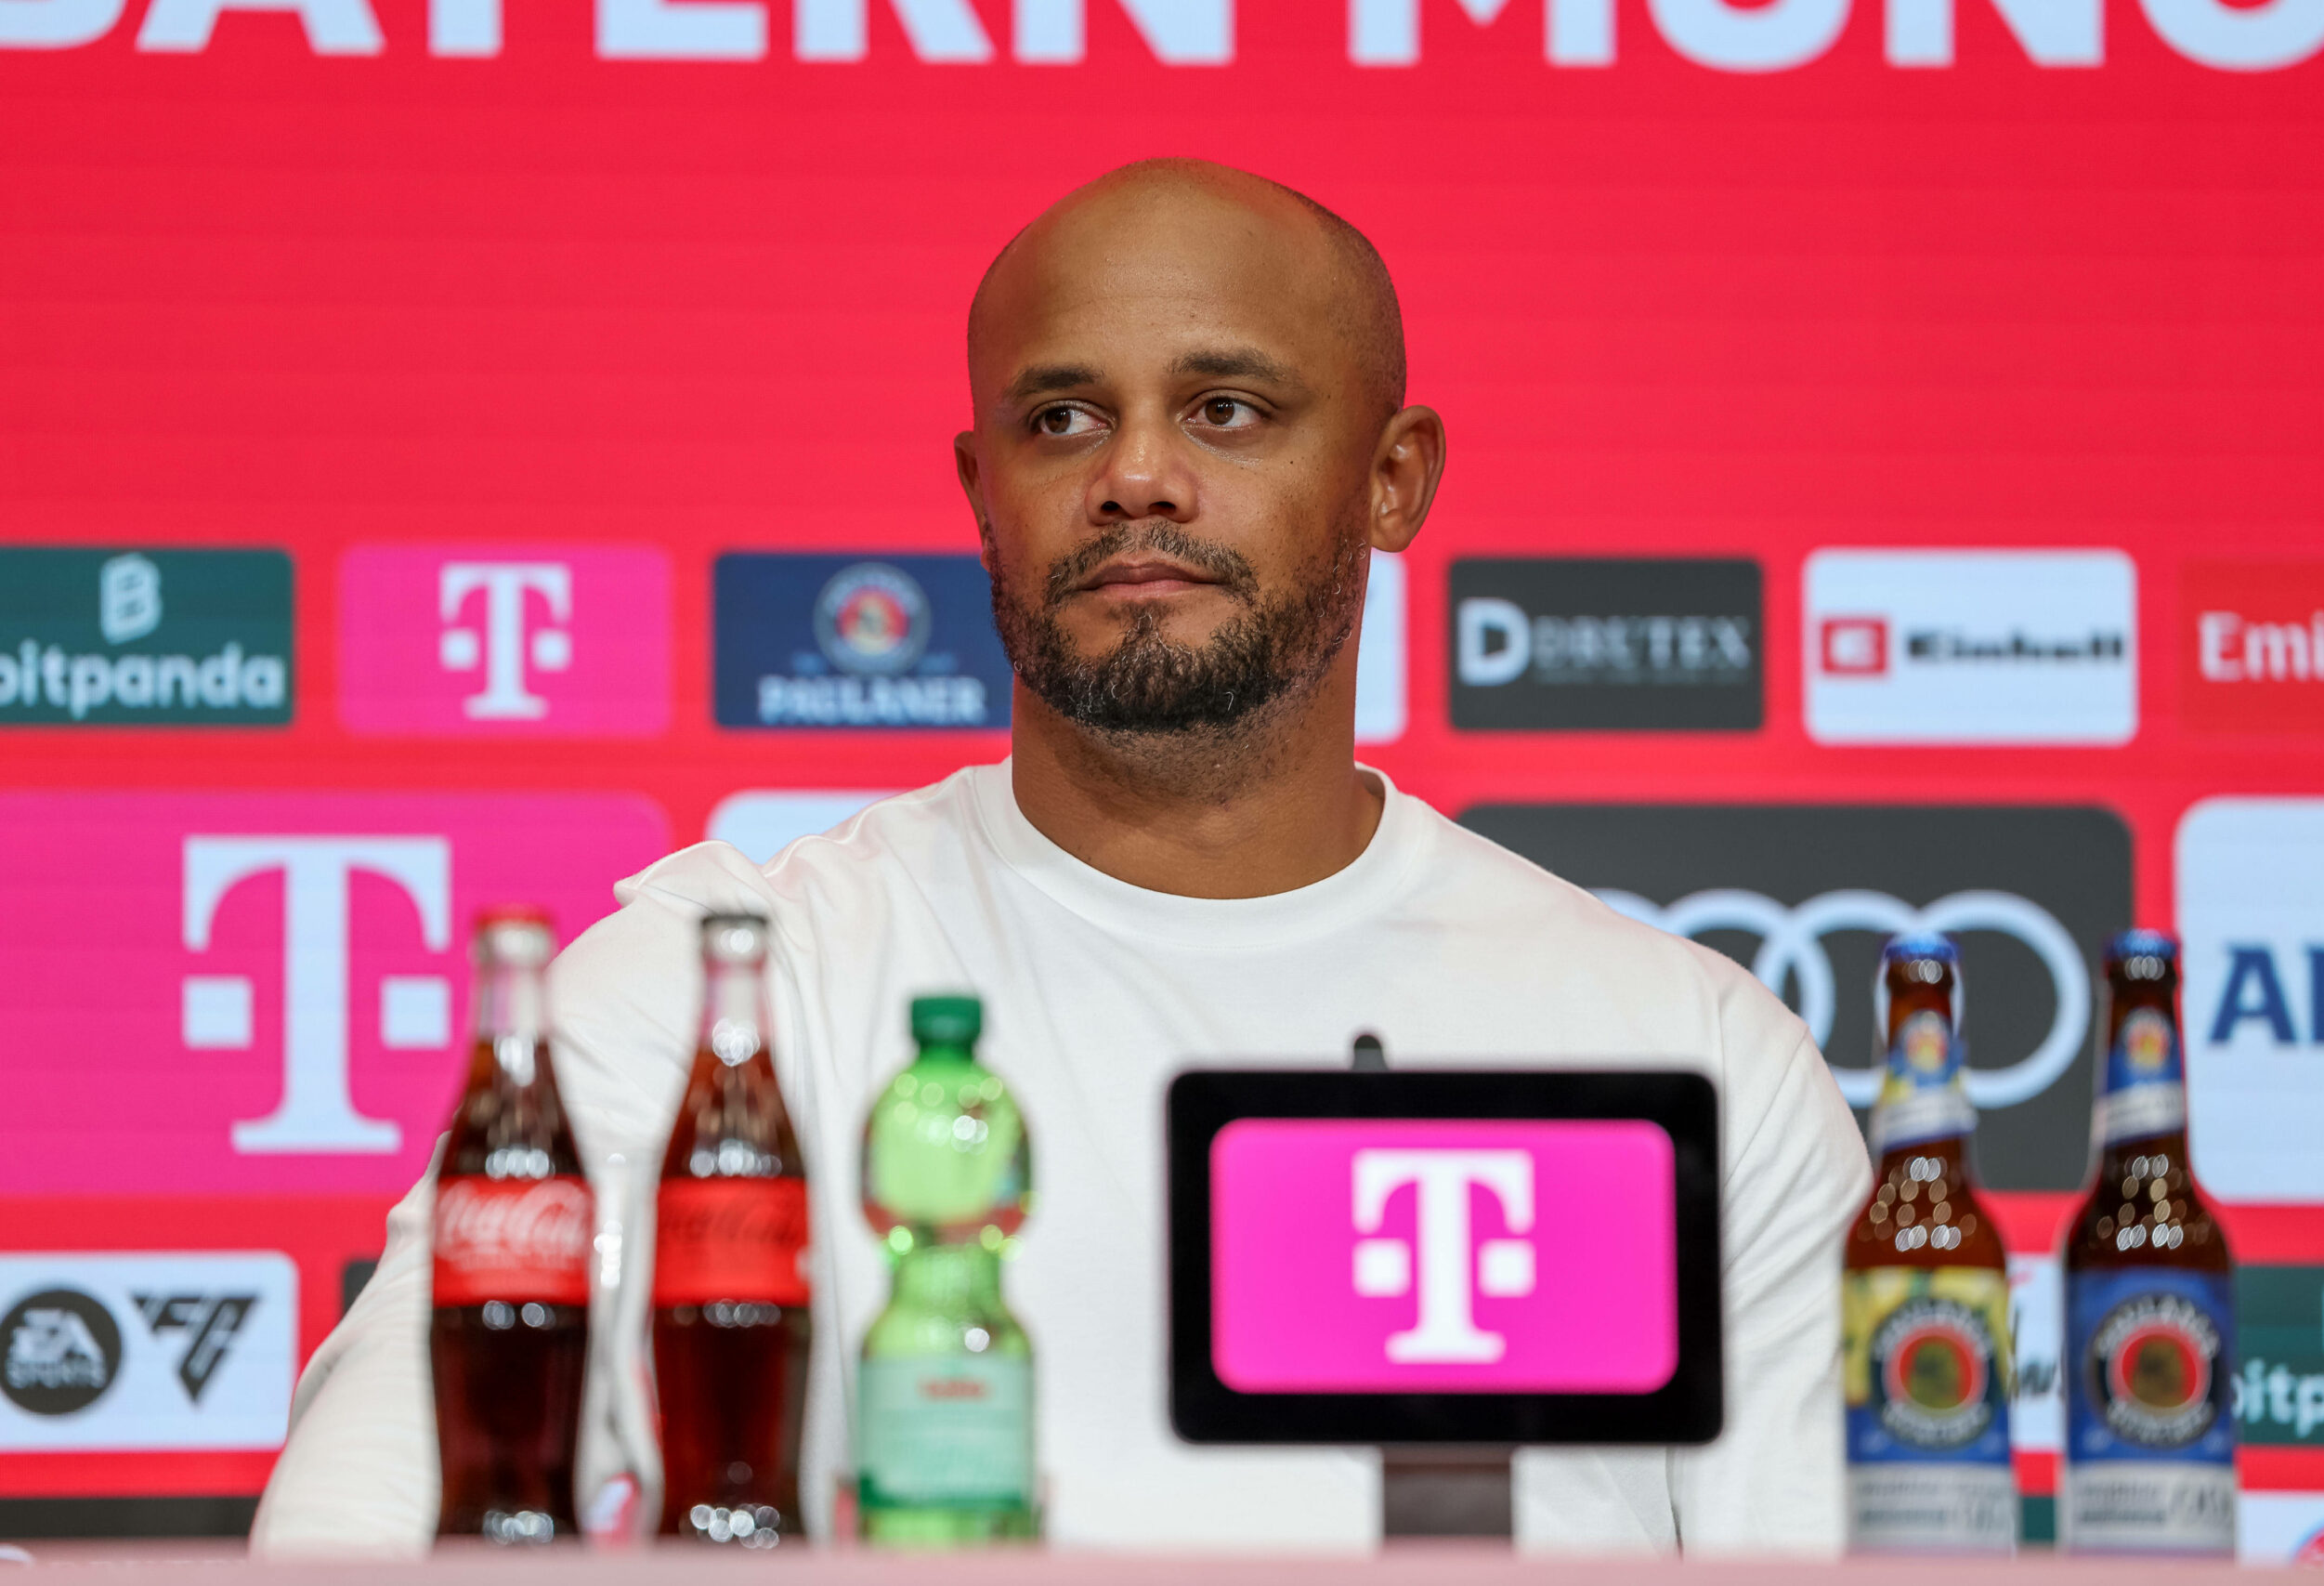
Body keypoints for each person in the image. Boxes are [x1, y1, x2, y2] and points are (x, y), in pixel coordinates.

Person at [252, 158, 1868, 1555]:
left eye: (1226, 410)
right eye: (1061, 417)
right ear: (979, 493)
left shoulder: (1689, 1054)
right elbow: (366, 1520)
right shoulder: (730, 985)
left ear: (1394, 480)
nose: (1136, 476)